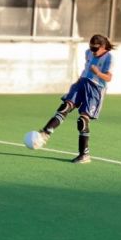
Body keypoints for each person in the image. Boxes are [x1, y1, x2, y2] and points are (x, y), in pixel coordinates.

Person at [37, 34, 114, 164]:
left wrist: (98, 73)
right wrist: (78, 81)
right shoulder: (88, 53)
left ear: (103, 47)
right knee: (65, 106)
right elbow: (86, 69)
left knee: (82, 120)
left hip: (96, 89)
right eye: (91, 48)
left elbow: (108, 78)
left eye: (95, 49)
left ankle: (84, 154)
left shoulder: (109, 57)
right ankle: (46, 133)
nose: (92, 51)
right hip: (82, 83)